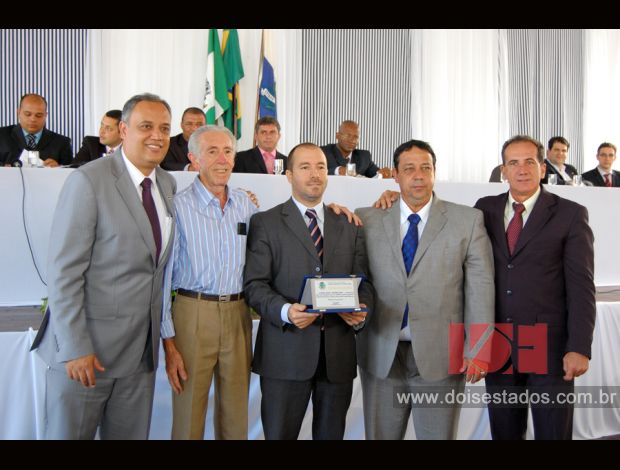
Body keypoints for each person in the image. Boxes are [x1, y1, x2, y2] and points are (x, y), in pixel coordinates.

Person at [30, 93, 176, 439]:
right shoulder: (88, 180)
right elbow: (65, 273)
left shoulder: (167, 184)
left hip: (140, 358)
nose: (157, 136)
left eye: (164, 128)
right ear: (123, 130)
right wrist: (75, 347)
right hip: (87, 354)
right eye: (146, 126)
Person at [357, 139, 495, 440]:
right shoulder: (367, 219)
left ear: (434, 172)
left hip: (442, 355)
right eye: (409, 169)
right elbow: (355, 276)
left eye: (425, 168)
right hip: (382, 352)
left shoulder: (467, 220)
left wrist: (479, 349)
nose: (418, 176)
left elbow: (480, 289)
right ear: (395, 175)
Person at [243, 143, 374, 440]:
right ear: (289, 175)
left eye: (320, 167)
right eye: (305, 167)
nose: (315, 174)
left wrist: (362, 309)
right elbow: (254, 284)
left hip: (336, 358)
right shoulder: (266, 222)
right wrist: (285, 311)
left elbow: (364, 282)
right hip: (284, 354)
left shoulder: (349, 224)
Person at [474, 135, 596, 440]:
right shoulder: (483, 209)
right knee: (504, 433)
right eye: (513, 163)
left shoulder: (570, 214)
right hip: (499, 342)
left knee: (553, 432)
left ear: (543, 168)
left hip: (549, 345)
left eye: (530, 161)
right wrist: (395, 197)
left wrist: (579, 347)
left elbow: (582, 286)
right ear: (503, 170)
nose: (522, 169)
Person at [160, 125, 258, 440]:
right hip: (193, 314)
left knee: (236, 416)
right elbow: (163, 278)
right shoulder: (177, 207)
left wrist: (329, 211)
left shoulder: (246, 205)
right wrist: (169, 342)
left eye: (228, 152)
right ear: (194, 159)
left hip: (238, 314)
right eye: (212, 152)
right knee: (188, 415)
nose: (222, 160)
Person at [0, 93, 72, 167]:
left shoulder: (62, 143)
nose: (33, 119)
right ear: (18, 113)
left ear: (45, 115)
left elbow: (71, 171)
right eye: (28, 114)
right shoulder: (2, 136)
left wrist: (59, 168)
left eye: (38, 115)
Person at [321, 120, 391, 178]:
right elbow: (317, 173)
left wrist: (383, 173)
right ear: (337, 135)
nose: (352, 140)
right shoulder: (323, 153)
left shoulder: (364, 157)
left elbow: (375, 174)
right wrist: (337, 170)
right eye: (348, 135)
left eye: (356, 137)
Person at [160, 107, 206, 171]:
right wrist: (189, 168)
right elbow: (165, 164)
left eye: (199, 124)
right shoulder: (169, 143)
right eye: (189, 124)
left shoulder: (215, 143)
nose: (195, 128)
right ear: (182, 125)